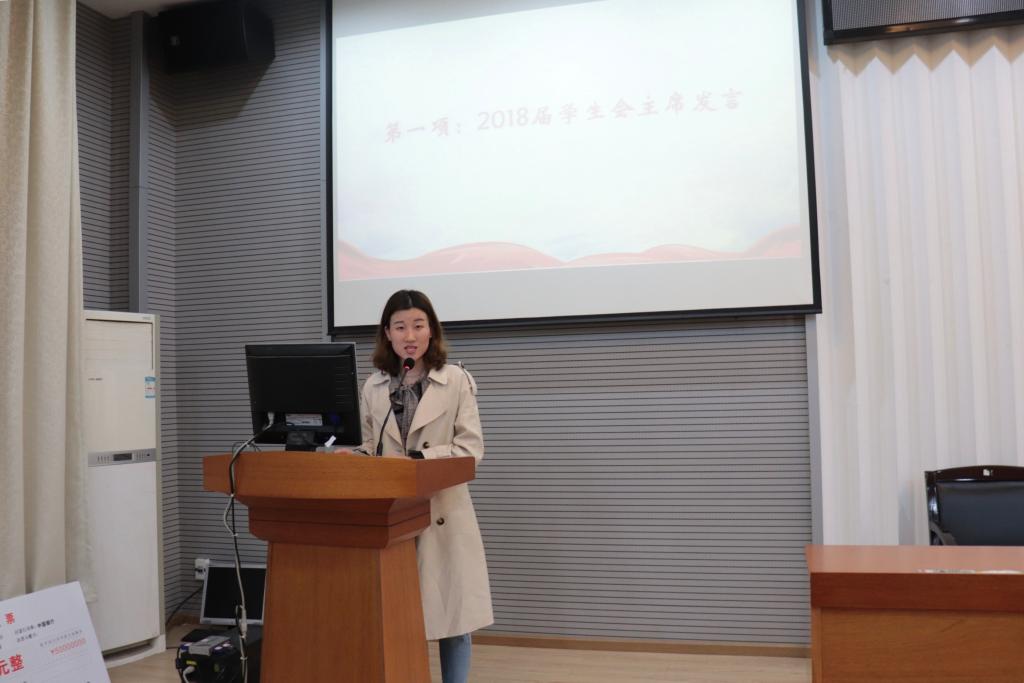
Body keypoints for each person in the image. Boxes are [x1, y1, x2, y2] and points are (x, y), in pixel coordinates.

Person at [359, 289, 493, 683]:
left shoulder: (456, 380)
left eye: (418, 325)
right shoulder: (373, 386)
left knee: (454, 619)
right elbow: (370, 445)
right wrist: (355, 456)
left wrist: (419, 460)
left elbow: (471, 449)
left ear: (431, 330)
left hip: (442, 510)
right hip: (392, 516)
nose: (410, 335)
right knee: (398, 614)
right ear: (387, 333)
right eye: (400, 327)